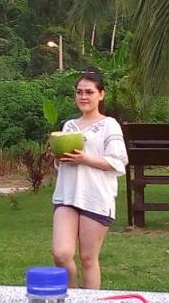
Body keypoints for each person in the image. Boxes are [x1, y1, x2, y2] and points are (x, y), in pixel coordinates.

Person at [51, 70, 128, 290]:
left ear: (101, 95)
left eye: (89, 92)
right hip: (67, 195)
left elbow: (117, 162)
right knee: (61, 254)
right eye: (79, 92)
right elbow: (62, 162)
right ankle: (73, 299)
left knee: (87, 258)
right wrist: (60, 156)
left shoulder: (109, 125)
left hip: (96, 197)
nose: (83, 97)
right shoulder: (69, 126)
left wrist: (84, 159)